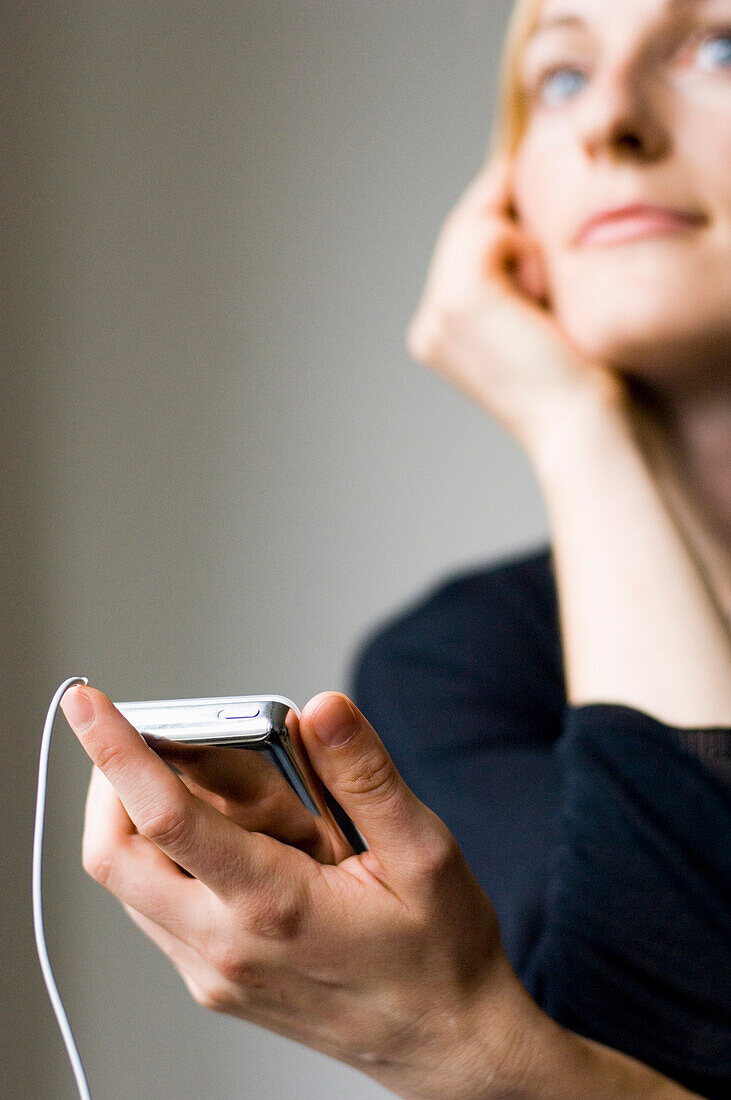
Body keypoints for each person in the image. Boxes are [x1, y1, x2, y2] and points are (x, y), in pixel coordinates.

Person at [60, 0, 731, 1096]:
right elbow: (678, 1039)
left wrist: (459, 1040)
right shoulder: (453, 664)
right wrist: (581, 437)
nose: (610, 117)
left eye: (717, 46)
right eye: (560, 76)